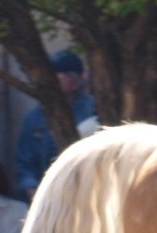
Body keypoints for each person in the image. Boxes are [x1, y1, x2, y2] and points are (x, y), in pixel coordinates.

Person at [14, 50, 96, 199]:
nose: (53, 79)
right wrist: (33, 190)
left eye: (61, 74)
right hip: (44, 196)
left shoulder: (93, 112)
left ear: (77, 79)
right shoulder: (34, 118)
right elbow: (24, 164)